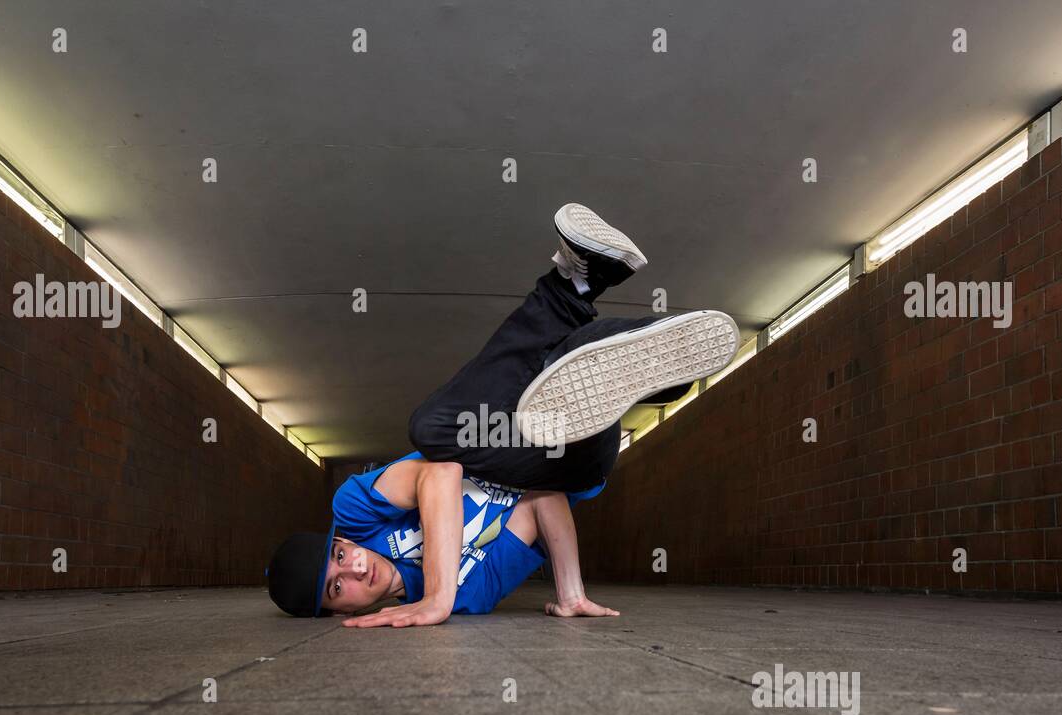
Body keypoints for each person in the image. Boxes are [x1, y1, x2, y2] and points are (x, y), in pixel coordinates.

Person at [267, 203, 739, 628]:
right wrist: (570, 593)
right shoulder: (470, 597)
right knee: (495, 421)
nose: (354, 567)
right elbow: (542, 503)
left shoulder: (355, 511)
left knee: (440, 428)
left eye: (339, 553)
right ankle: (576, 294)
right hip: (572, 460)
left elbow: (442, 473)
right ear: (337, 612)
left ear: (342, 539)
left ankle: (592, 298)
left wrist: (437, 595)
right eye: (337, 587)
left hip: (505, 433)